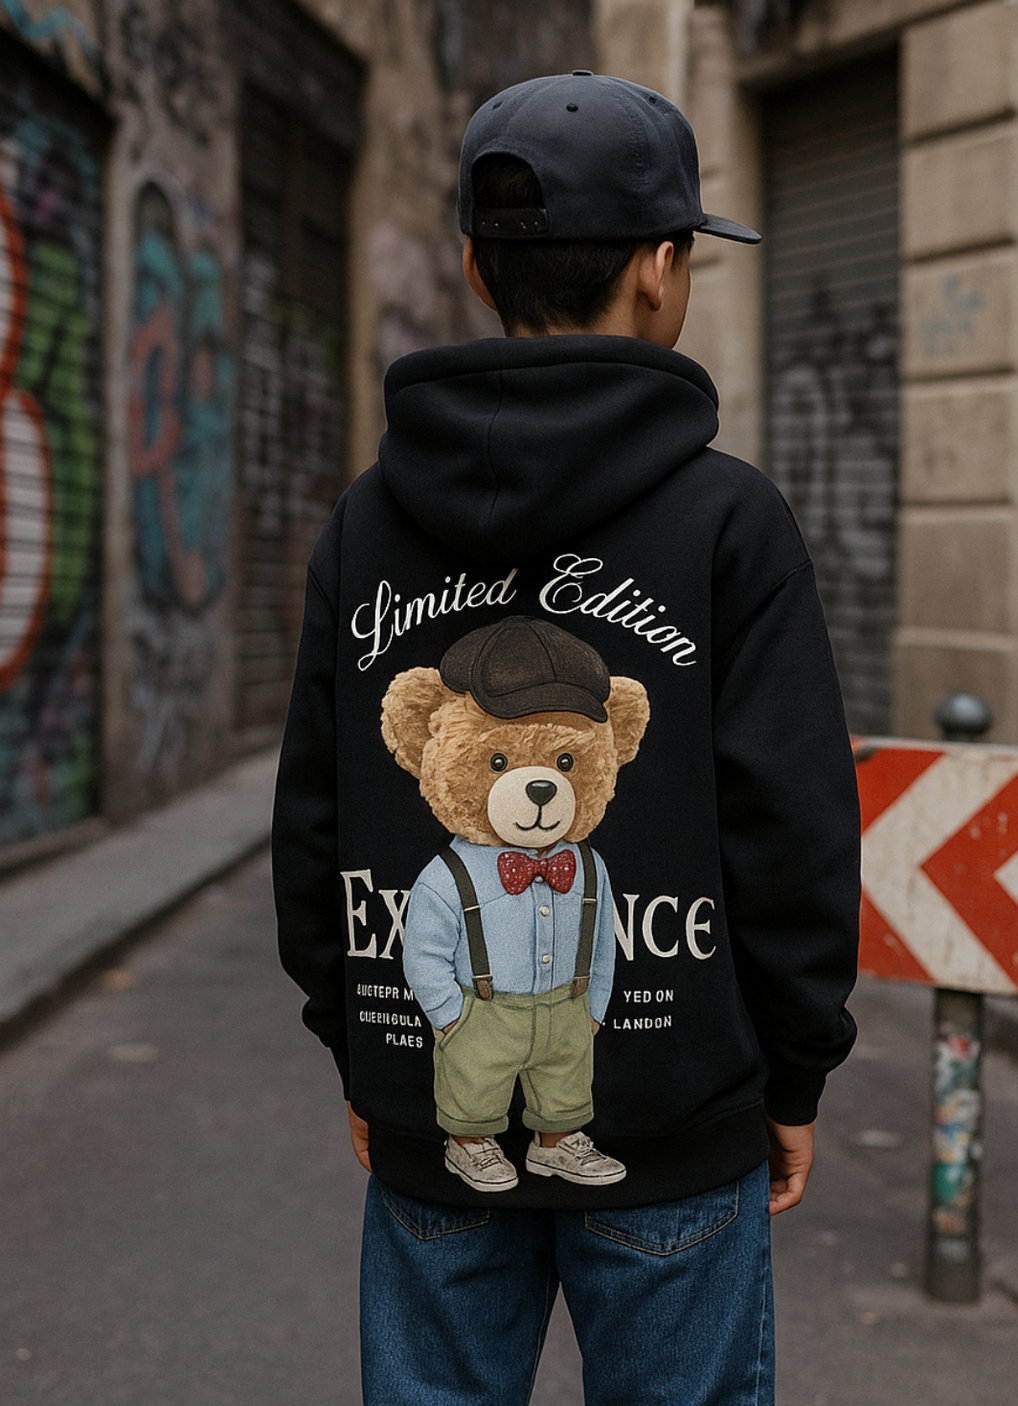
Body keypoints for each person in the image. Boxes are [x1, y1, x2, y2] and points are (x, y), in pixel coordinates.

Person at [273, 69, 860, 1406]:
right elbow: (793, 827)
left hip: (431, 1130)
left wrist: (357, 1042)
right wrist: (796, 1066)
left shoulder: (367, 522)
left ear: (475, 266)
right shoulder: (729, 523)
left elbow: (310, 814)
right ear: (659, 269)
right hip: (678, 1125)